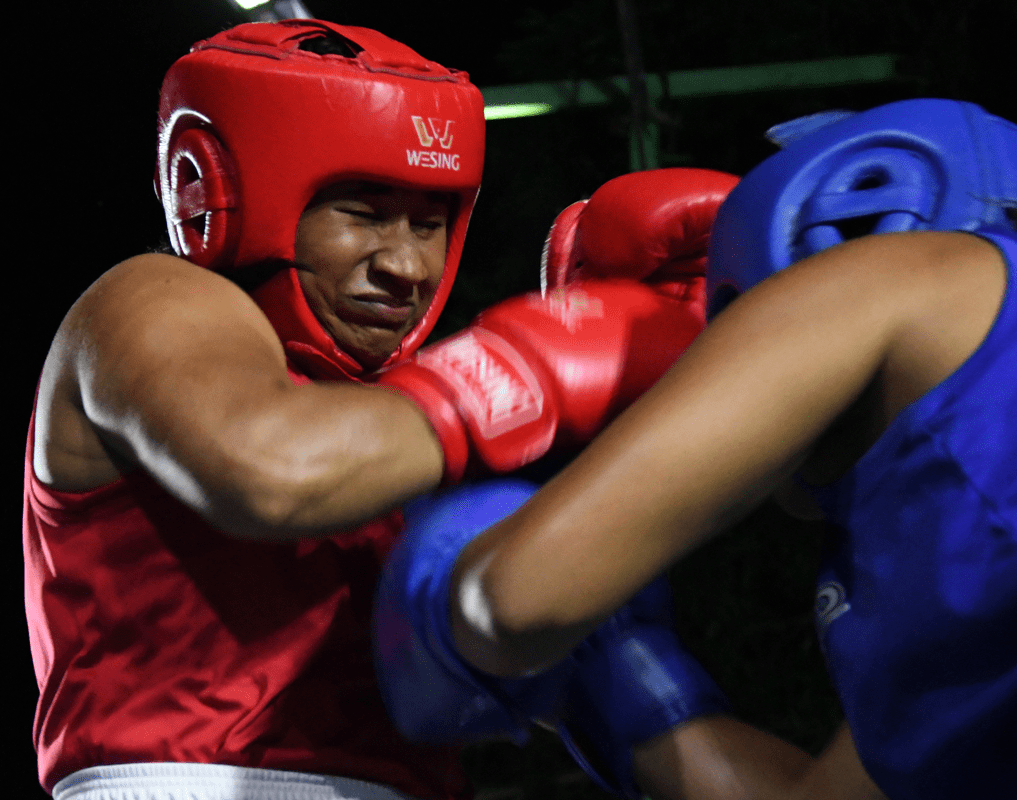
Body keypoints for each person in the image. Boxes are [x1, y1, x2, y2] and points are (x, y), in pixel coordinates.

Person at [378, 99, 1017, 799]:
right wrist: (622, 676)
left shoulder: (907, 269)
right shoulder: (968, 556)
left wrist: (467, 574)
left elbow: (518, 598)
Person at [22, 17, 747, 800]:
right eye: (364, 214)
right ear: (231, 198)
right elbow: (274, 470)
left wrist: (642, 387)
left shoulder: (399, 422)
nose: (406, 265)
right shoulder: (154, 300)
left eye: (429, 224)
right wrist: (537, 361)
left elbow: (516, 648)